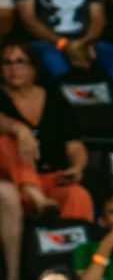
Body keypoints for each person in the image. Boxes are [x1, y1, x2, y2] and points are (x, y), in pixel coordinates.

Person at [0, 37, 94, 221]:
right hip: (12, 185)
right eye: (7, 63)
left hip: (51, 177)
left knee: (77, 194)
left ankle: (76, 240)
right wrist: (19, 129)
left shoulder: (54, 98)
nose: (13, 68)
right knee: (5, 140)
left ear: (33, 67)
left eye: (20, 61)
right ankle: (37, 198)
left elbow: (74, 145)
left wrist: (77, 167)